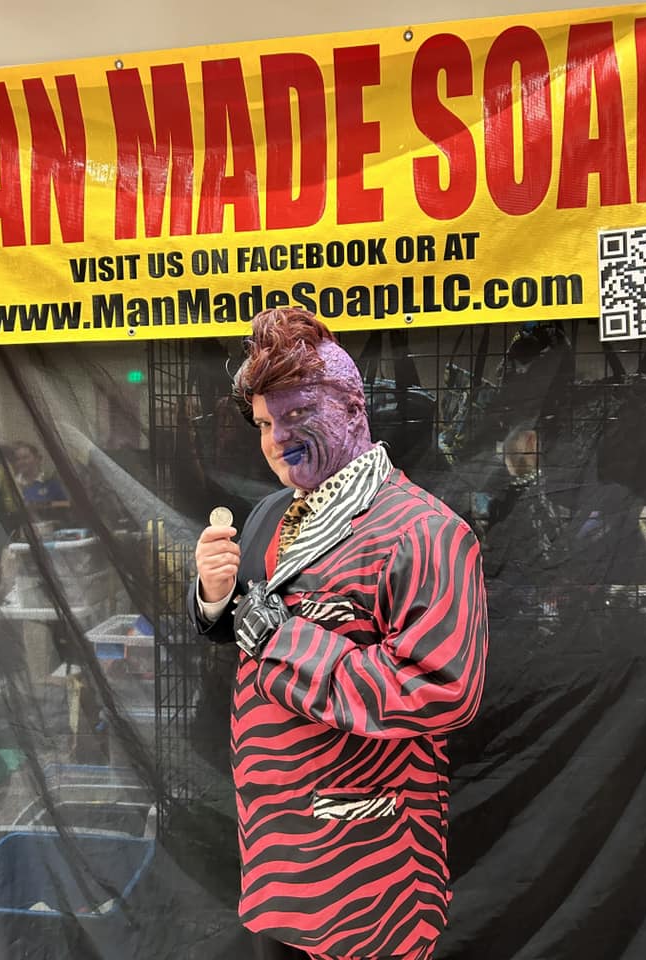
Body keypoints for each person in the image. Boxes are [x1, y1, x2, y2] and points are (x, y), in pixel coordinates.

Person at [188, 308, 488, 960]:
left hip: (369, 867)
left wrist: (280, 636)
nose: (276, 439)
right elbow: (244, 625)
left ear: (354, 409)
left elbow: (442, 689)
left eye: (298, 414)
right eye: (264, 423)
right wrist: (215, 596)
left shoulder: (426, 532)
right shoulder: (272, 512)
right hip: (276, 843)